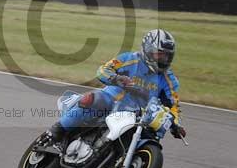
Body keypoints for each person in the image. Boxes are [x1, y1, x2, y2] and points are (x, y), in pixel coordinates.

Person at [44, 28, 186, 144]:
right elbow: (103, 70)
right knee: (94, 99)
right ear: (147, 49)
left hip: (138, 115)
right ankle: (58, 129)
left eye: (167, 56)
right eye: (159, 55)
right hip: (111, 100)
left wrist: (176, 125)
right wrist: (116, 78)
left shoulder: (170, 80)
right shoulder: (128, 59)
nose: (163, 59)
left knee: (152, 135)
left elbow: (173, 106)